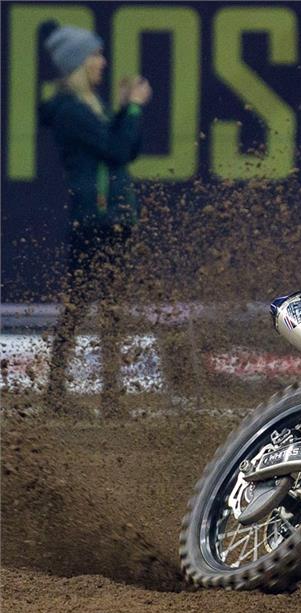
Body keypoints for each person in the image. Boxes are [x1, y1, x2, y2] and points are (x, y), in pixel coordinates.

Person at [39, 21, 151, 415]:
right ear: (79, 62)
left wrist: (122, 109)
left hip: (110, 220)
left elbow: (121, 150)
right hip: (95, 222)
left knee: (109, 310)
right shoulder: (71, 110)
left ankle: (106, 396)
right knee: (79, 307)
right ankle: (59, 395)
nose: (103, 62)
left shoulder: (90, 106)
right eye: (95, 55)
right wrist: (132, 108)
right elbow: (117, 150)